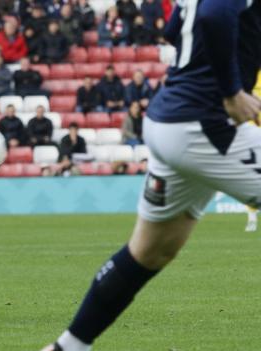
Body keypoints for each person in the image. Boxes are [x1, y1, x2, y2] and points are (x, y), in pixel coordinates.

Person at [42, 1, 261, 350]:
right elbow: (212, 15)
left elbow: (175, 28)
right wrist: (231, 90)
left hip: (171, 119)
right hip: (204, 124)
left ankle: (67, 347)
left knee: (151, 251)